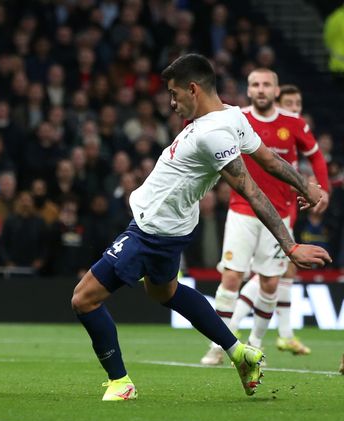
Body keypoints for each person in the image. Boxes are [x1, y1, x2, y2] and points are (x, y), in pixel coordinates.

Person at [70, 54, 330, 401]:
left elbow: (251, 189)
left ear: (193, 89)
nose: (173, 103)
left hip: (151, 232)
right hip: (170, 227)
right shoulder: (232, 115)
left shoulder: (214, 134)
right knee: (164, 293)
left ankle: (120, 382)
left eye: (175, 94)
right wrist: (306, 186)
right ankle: (240, 352)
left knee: (83, 300)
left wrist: (290, 246)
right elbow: (269, 158)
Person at [201, 75, 329, 365]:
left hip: (279, 214)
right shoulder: (237, 117)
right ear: (248, 89)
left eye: (266, 85)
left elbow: (317, 156)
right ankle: (219, 346)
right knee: (231, 277)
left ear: (275, 90)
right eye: (255, 85)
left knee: (270, 283)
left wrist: (324, 189)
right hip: (242, 211)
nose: (261, 90)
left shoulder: (293, 122)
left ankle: (256, 345)